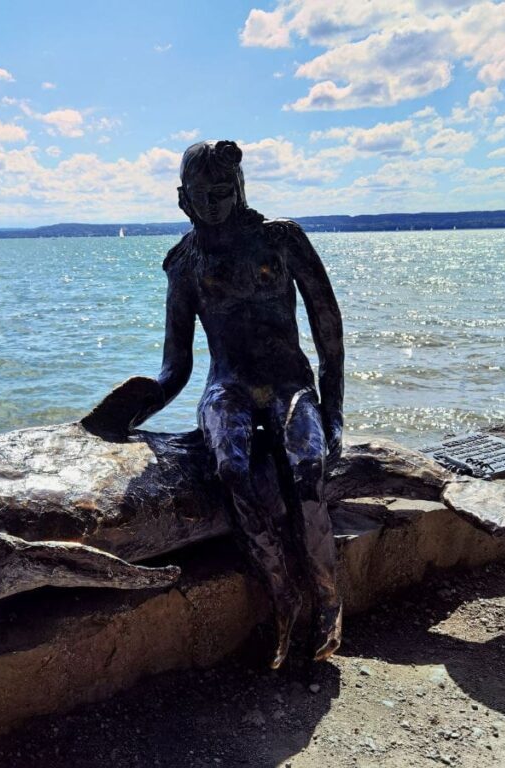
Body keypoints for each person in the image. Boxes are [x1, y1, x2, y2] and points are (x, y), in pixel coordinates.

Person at [90, 140, 344, 668]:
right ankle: (282, 597)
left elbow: (328, 329)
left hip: (288, 383)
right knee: (231, 467)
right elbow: (176, 363)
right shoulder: (185, 263)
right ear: (183, 200)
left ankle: (327, 599)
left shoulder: (282, 240)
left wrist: (334, 410)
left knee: (306, 468)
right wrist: (136, 409)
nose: (212, 205)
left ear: (240, 189)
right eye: (200, 196)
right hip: (226, 386)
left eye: (222, 193)